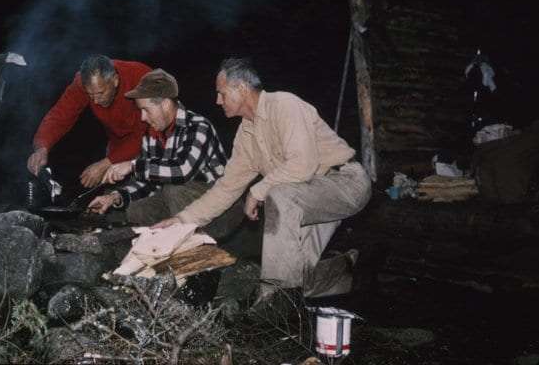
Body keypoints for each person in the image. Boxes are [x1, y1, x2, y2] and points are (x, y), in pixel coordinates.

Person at [154, 58, 372, 302]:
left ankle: (271, 301)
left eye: (221, 93)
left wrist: (258, 190)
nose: (217, 101)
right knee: (297, 278)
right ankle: (346, 269)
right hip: (306, 195)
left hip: (345, 182)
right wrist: (181, 220)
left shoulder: (285, 105)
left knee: (278, 196)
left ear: (242, 88)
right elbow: (225, 189)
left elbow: (302, 164)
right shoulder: (246, 134)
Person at [87, 68, 240, 235]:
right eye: (140, 111)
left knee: (174, 189)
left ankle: (199, 245)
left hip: (222, 208)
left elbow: (181, 170)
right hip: (184, 208)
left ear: (166, 104)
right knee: (138, 207)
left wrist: (132, 165)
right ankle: (159, 248)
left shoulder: (198, 126)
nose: (142, 117)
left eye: (146, 110)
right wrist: (114, 197)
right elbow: (149, 182)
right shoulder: (151, 135)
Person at [27, 55, 151, 187]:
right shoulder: (83, 82)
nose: (95, 101)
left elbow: (144, 134)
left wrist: (106, 163)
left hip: (154, 142)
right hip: (118, 146)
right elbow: (60, 115)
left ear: (115, 80)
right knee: (112, 195)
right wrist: (42, 147)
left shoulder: (141, 77)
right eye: (90, 95)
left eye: (100, 93)